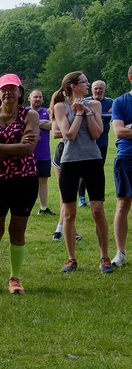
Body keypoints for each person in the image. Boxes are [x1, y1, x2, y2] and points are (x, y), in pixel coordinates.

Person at [0, 74, 39, 294]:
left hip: (25, 179)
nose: (8, 92)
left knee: (18, 229)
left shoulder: (30, 115)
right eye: (4, 89)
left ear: (20, 92)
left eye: (13, 88)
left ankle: (15, 279)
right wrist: (13, 147)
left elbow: (28, 149)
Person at [52, 71, 112, 274]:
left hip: (93, 160)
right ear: (72, 86)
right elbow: (68, 134)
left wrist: (85, 111)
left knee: (97, 210)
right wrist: (77, 113)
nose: (88, 85)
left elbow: (96, 133)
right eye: (84, 82)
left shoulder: (94, 105)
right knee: (69, 213)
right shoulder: (60, 107)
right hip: (70, 162)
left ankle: (105, 257)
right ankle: (71, 259)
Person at [77, 80, 113, 206]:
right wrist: (105, 115)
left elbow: (113, 116)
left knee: (98, 170)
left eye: (100, 89)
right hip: (87, 141)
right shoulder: (85, 101)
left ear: (105, 89)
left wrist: (102, 115)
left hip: (103, 142)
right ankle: (81, 198)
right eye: (95, 88)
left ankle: (98, 197)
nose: (98, 91)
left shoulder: (110, 102)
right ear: (92, 89)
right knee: (83, 170)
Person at [110, 65, 132, 267]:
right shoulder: (121, 102)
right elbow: (119, 132)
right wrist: (126, 129)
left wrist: (130, 126)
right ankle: (121, 253)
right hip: (127, 158)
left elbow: (126, 129)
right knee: (123, 204)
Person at [29, 89, 54, 215]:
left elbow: (53, 126)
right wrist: (41, 123)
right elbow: (24, 125)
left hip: (44, 154)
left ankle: (43, 208)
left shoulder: (47, 112)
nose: (38, 99)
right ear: (30, 98)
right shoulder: (25, 112)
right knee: (27, 182)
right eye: (35, 97)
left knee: (43, 181)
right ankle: (25, 206)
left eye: (40, 97)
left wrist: (35, 123)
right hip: (27, 153)